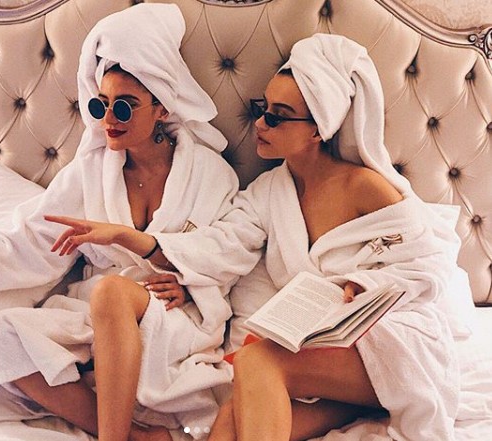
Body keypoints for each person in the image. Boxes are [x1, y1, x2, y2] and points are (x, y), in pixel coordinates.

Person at [39, 34, 461, 440]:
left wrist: (364, 284)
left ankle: (362, 400)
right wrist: (131, 238)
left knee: (257, 361)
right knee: (227, 424)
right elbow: (221, 247)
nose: (260, 123)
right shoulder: (267, 194)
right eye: (262, 109)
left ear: (318, 129)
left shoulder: (365, 187)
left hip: (388, 341)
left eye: (277, 116)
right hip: (319, 350)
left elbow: (428, 268)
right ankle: (347, 407)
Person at [0, 4, 240, 441]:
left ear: (162, 108)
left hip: (171, 311)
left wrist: (189, 282)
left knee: (114, 290)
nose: (109, 120)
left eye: (125, 108)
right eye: (101, 105)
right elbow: (31, 241)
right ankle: (136, 437)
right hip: (95, 315)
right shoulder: (89, 173)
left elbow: (231, 250)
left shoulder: (209, 173)